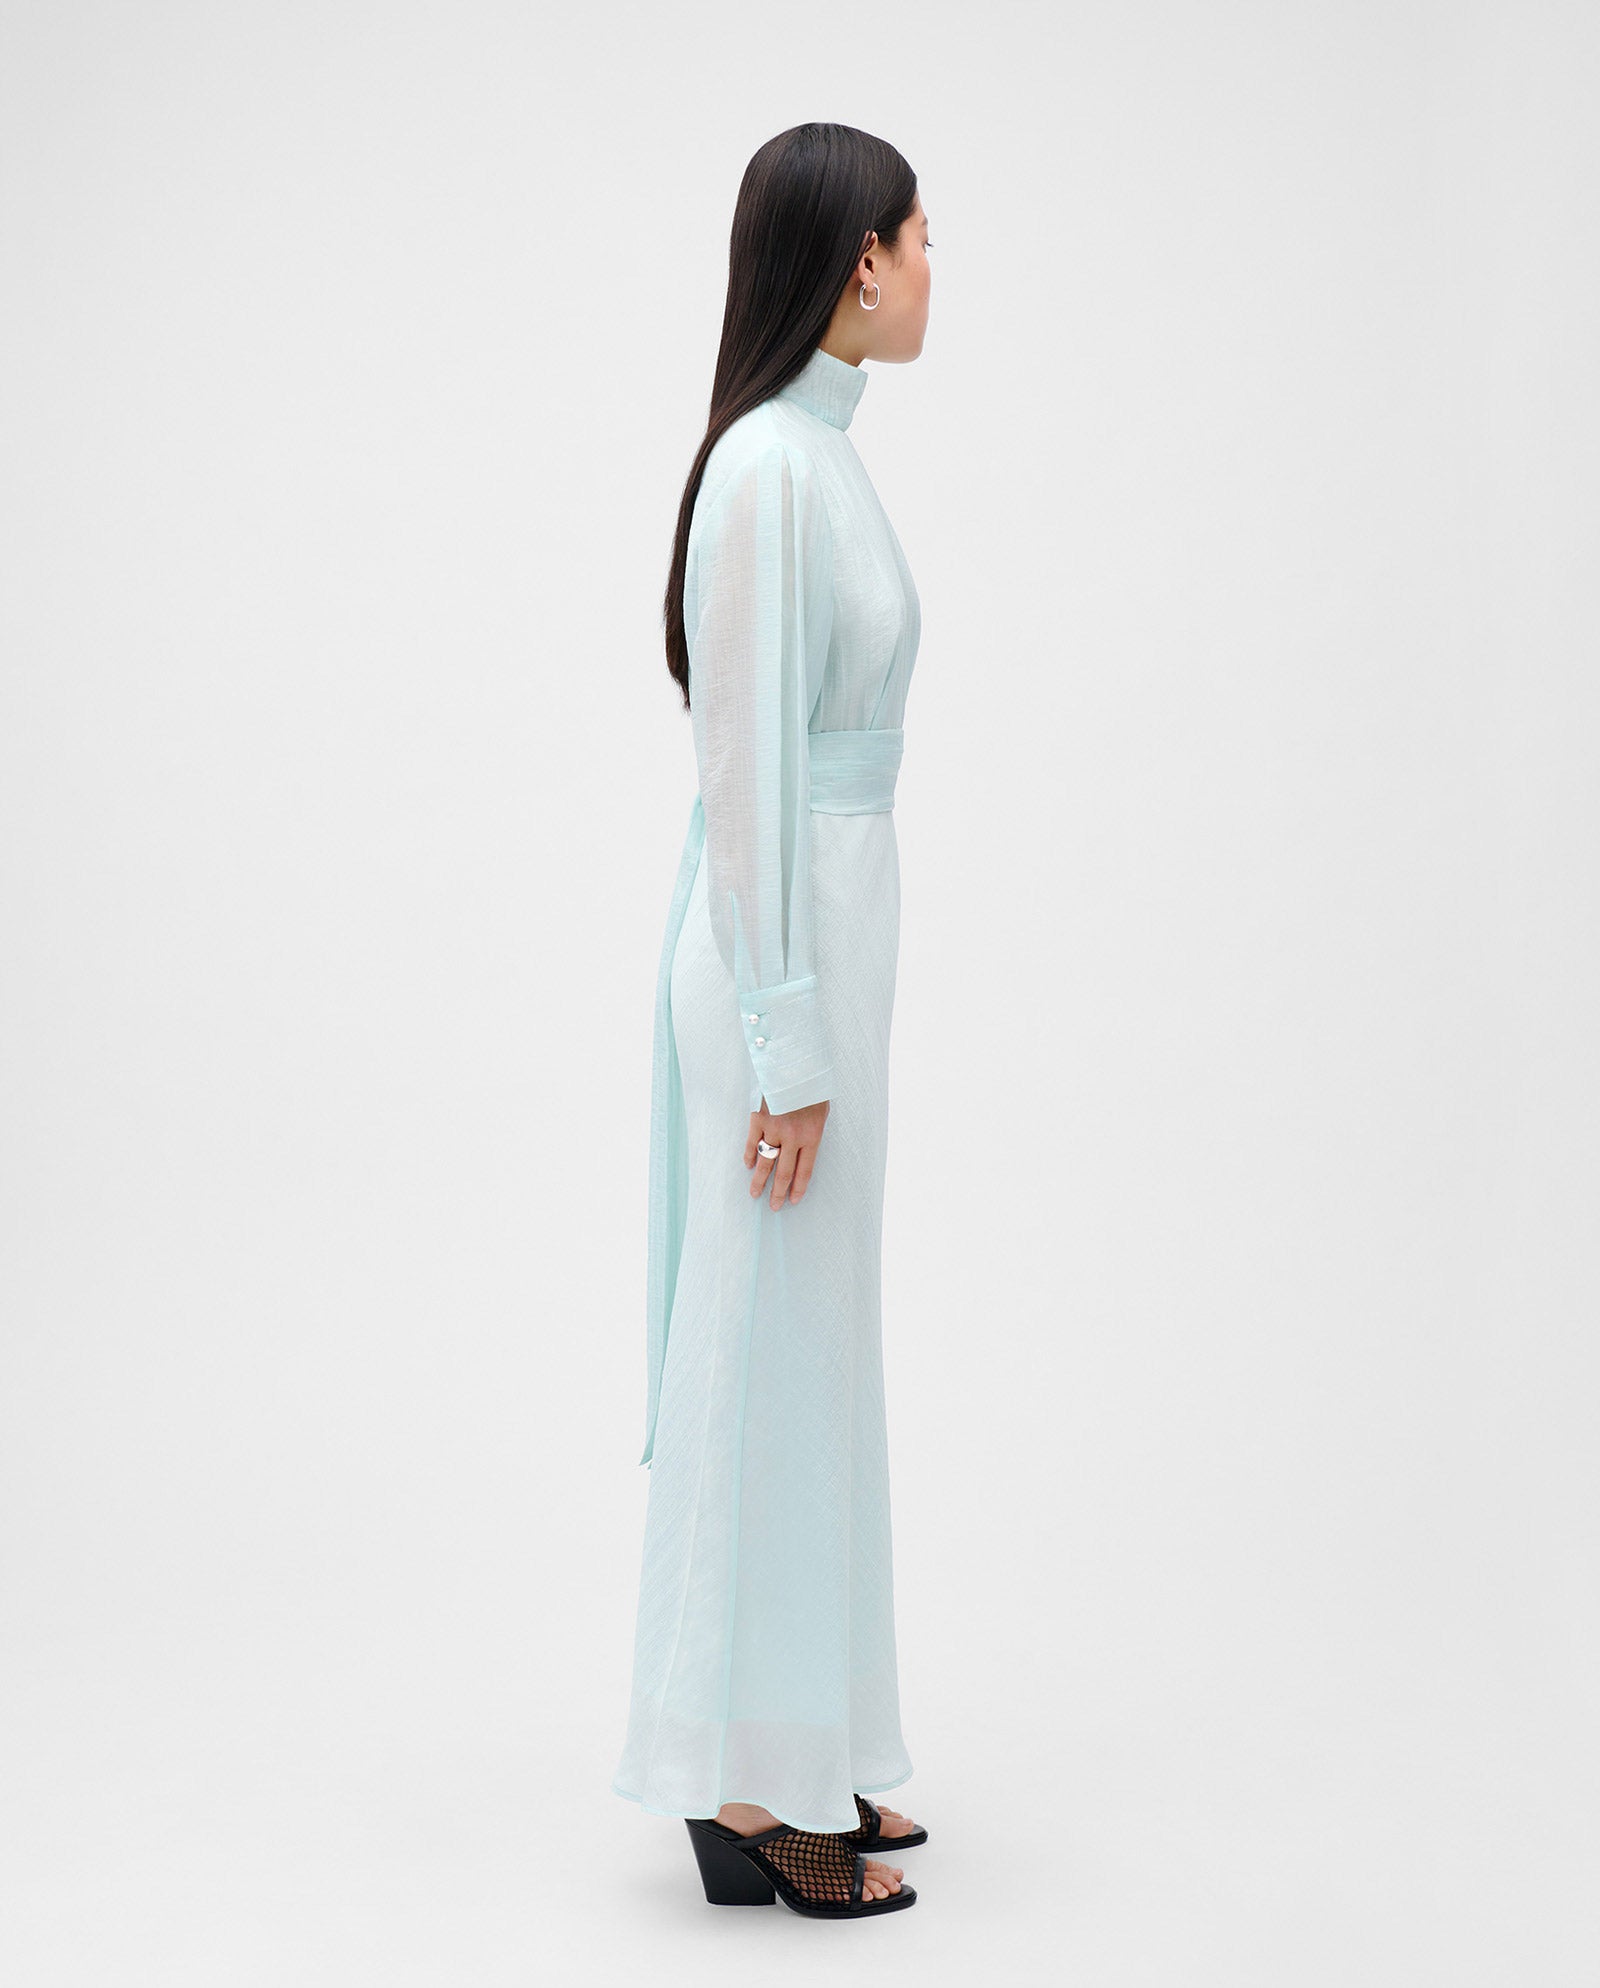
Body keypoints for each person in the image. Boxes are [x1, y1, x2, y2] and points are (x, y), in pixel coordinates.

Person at [612, 121, 933, 1922]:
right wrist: (786, 1045)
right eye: (918, 235)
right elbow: (744, 782)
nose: (934, 267)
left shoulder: (821, 458)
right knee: (757, 1365)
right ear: (856, 260)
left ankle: (809, 1740)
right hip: (773, 969)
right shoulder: (764, 474)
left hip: (826, 947)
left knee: (814, 1363)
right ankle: (744, 1793)